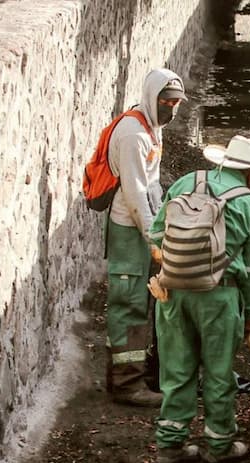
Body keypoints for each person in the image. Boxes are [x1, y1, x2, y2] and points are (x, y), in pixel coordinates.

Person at [148, 135, 250, 463]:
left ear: (223, 161)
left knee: (177, 369)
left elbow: (157, 233)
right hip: (220, 297)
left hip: (172, 291)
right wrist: (248, 314)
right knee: (218, 373)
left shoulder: (187, 182)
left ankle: (170, 445)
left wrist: (179, 268)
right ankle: (219, 445)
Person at [105, 68, 187, 407]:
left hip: (145, 227)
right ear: (152, 98)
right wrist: (153, 240)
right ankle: (126, 384)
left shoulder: (151, 128)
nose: (172, 108)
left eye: (177, 103)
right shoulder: (133, 136)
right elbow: (136, 194)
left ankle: (139, 371)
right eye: (167, 102)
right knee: (129, 302)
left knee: (143, 298)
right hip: (130, 229)